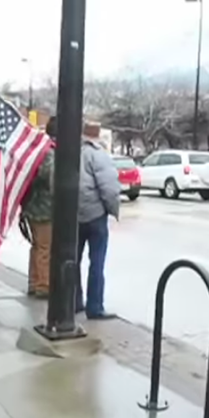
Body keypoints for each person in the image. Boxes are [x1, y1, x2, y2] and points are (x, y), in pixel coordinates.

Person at [75, 121, 121, 320]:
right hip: (95, 216)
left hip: (73, 216)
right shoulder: (99, 155)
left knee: (72, 261)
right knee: (97, 263)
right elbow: (109, 188)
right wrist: (113, 210)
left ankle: (73, 301)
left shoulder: (70, 152)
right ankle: (95, 307)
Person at [21, 116, 57, 298]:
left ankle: (34, 282)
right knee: (44, 248)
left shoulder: (38, 150)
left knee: (37, 247)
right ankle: (43, 285)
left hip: (33, 206)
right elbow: (49, 178)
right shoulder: (50, 153)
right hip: (44, 208)